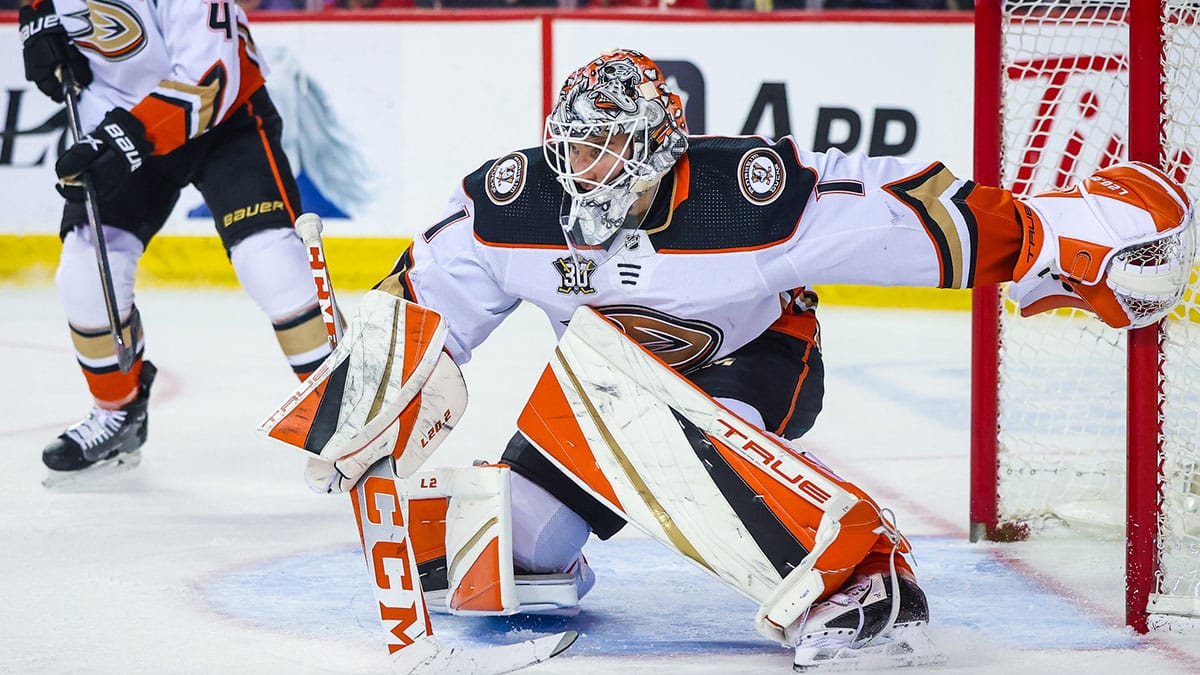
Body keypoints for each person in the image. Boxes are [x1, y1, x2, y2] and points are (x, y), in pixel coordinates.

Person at [291, 49, 1191, 667]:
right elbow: (423, 303)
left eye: (612, 146)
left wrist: (1063, 240)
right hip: (606, 391)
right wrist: (367, 402)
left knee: (618, 391)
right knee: (487, 547)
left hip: (760, 361)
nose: (587, 166)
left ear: (659, 147)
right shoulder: (512, 204)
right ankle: (543, 550)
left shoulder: (746, 200)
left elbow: (907, 218)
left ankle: (863, 577)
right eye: (577, 142)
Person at [19, 0, 334, 484]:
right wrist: (37, 15)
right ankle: (117, 413)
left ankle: (349, 415)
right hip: (114, 112)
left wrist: (128, 141)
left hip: (226, 122)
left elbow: (211, 80)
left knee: (272, 263)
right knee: (84, 273)